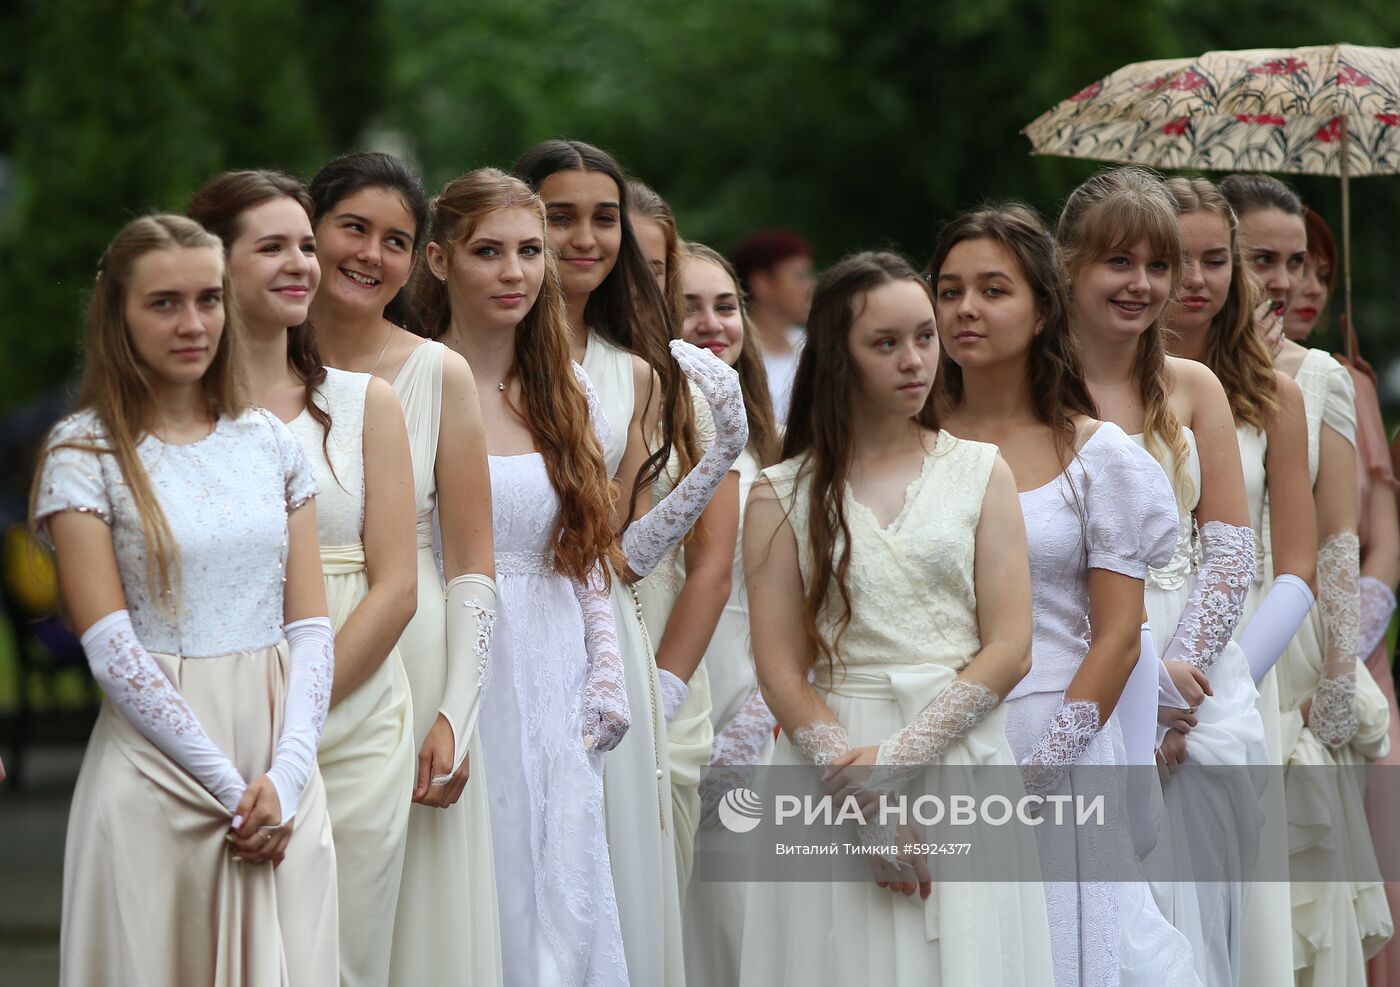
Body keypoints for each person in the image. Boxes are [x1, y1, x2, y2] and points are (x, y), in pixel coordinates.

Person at [33, 214, 338, 986]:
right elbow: (108, 644)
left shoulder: (267, 441)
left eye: (208, 299)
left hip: (278, 762)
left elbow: (309, 625)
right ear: (118, 314)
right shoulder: (86, 450)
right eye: (164, 303)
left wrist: (289, 772)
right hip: (161, 765)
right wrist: (231, 791)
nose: (193, 322)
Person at [740, 250, 1052, 986]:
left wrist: (905, 757)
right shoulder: (781, 493)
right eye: (885, 343)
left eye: (924, 336)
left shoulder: (981, 470)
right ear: (838, 357)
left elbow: (1011, 646)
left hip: (956, 749)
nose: (914, 360)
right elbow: (780, 667)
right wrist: (865, 801)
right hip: (834, 760)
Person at [931, 203, 1194, 986]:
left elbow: (1118, 636)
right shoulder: (907, 438)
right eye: (948, 290)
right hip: (928, 735)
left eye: (992, 289)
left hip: (1059, 739)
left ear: (1043, 307)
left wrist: (1041, 771)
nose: (966, 309)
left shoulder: (1098, 459)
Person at [515, 139, 747, 987]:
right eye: (558, 217)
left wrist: (715, 464)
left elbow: (622, 553)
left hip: (601, 640)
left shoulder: (637, 374)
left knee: (611, 873)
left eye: (602, 218)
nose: (584, 237)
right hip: (495, 627)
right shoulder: (467, 358)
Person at [189, 169, 419, 987]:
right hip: (213, 729)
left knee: (338, 960)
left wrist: (295, 732)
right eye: (274, 247)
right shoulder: (170, 420)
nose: (299, 265)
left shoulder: (366, 405)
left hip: (350, 725)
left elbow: (398, 587)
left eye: (303, 247)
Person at [421, 166, 632, 986]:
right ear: (439, 262)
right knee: (483, 867)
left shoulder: (563, 388)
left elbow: (587, 549)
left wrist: (605, 667)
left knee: (562, 876)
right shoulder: (408, 384)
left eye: (529, 251)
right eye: (489, 251)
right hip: (453, 643)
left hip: (554, 654)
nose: (514, 272)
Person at [1057, 166, 1263, 986]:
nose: (1141, 283)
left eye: (1158, 265)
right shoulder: (1032, 387)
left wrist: (1176, 692)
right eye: (1118, 261)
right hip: (1071, 646)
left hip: (1197, 673)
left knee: (1189, 922)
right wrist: (1133, 685)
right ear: (1067, 264)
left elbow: (1231, 550)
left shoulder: (1193, 386)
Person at [307, 151, 503, 987]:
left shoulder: (437, 372)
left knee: (408, 924)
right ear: (306, 231)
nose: (371, 254)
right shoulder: (239, 364)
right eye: (353, 227)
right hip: (270, 650)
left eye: (395, 239)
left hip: (412, 663)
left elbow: (472, 567)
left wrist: (457, 711)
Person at [1224, 174, 1394, 982]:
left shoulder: (1321, 374)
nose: (1286, 280)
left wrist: (1337, 675)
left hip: (1294, 640)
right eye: (1262, 259)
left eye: (1296, 261)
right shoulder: (1174, 371)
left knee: (1296, 888)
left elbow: (1339, 540)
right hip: (1208, 625)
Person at [1161, 175, 1318, 987]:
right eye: (1174, 259)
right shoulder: (1086, 389)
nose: (1194, 279)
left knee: (1234, 917)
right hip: (1124, 658)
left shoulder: (1276, 397)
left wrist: (1224, 682)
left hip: (1235, 666)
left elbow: (1295, 568)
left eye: (1215, 260)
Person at [1290, 206, 1400, 986]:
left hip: (1360, 639)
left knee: (1379, 844)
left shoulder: (1348, 379)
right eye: (1274, 263)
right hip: (1292, 640)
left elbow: (1382, 536)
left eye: (1319, 271)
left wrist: (1349, 641)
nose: (1301, 284)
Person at [678, 241, 782, 987]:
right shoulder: (653, 436)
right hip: (671, 691)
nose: (713, 322)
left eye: (726, 304)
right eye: (690, 304)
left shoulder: (772, 445)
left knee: (737, 923)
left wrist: (755, 724)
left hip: (755, 705)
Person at [731, 228, 815, 423]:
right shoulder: (736, 355)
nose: (810, 286)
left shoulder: (811, 346)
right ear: (762, 284)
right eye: (799, 276)